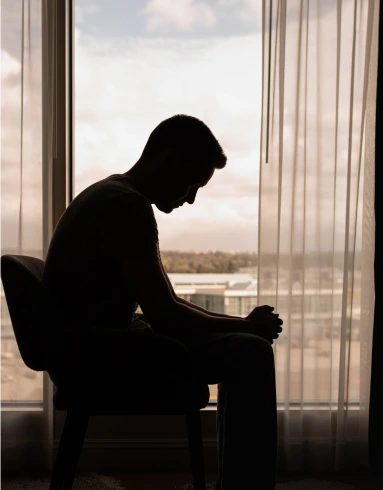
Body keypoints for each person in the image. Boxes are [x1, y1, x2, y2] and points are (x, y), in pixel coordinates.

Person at [43, 114, 283, 490]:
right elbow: (167, 315)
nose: (190, 199)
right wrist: (245, 326)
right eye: (192, 184)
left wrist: (242, 323)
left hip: (90, 346)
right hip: (99, 356)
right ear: (168, 160)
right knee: (250, 352)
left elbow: (166, 305)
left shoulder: (111, 195)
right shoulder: (126, 206)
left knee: (246, 343)